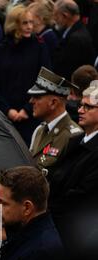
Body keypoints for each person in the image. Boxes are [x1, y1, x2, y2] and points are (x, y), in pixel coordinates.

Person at [0, 4, 51, 145]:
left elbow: (45, 80)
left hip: (31, 114)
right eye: (24, 23)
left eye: (31, 22)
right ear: (13, 24)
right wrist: (8, 110)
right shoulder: (0, 50)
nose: (29, 26)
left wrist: (26, 109)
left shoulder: (39, 47)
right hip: (4, 116)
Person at [48, 80, 98, 251]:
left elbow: (82, 195)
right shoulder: (75, 140)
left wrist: (50, 206)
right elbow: (56, 176)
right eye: (81, 105)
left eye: (88, 107)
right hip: (55, 221)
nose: (80, 110)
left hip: (73, 232)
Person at [28, 66, 83, 169]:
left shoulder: (73, 137)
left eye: (37, 97)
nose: (31, 101)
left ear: (53, 102)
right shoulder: (39, 130)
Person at [52, 0, 95, 80]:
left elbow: (66, 70)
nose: (54, 20)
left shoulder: (76, 39)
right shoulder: (74, 31)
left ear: (65, 16)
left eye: (56, 16)